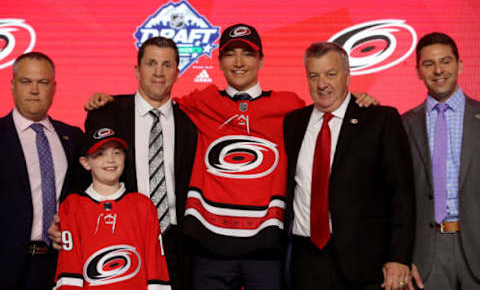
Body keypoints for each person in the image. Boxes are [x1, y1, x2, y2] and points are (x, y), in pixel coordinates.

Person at [82, 24, 377, 289]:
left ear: (260, 60)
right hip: (208, 249)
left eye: (247, 54)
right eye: (230, 54)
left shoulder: (291, 107)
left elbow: (328, 110)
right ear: (219, 61)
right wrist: (108, 101)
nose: (239, 62)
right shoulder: (200, 102)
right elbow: (156, 100)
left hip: (266, 250)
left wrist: (359, 103)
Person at [50, 37, 197, 290]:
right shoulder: (107, 111)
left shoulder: (191, 122)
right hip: (120, 237)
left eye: (167, 65)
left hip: (178, 244)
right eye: (151, 63)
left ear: (177, 70)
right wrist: (64, 219)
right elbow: (83, 173)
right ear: (137, 70)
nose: (159, 72)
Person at [283, 42, 415, 290]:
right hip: (305, 260)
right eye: (314, 75)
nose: (322, 84)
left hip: (364, 263)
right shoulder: (293, 123)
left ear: (347, 75)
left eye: (331, 74)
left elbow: (401, 195)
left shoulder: (379, 119)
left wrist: (399, 257)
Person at [402, 32, 480, 290]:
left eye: (445, 61)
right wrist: (403, 258)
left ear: (460, 65)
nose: (438, 71)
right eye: (429, 64)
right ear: (418, 71)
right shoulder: (403, 124)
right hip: (427, 255)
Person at [0, 52, 83, 290]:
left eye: (43, 82)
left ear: (54, 87)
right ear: (13, 85)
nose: (34, 90)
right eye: (26, 82)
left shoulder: (74, 138)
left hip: (61, 265)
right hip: (6, 267)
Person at [53, 127, 171, 289]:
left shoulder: (142, 205)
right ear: (85, 162)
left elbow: (155, 263)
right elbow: (69, 267)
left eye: (116, 152)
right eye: (100, 154)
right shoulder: (72, 206)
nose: (111, 160)